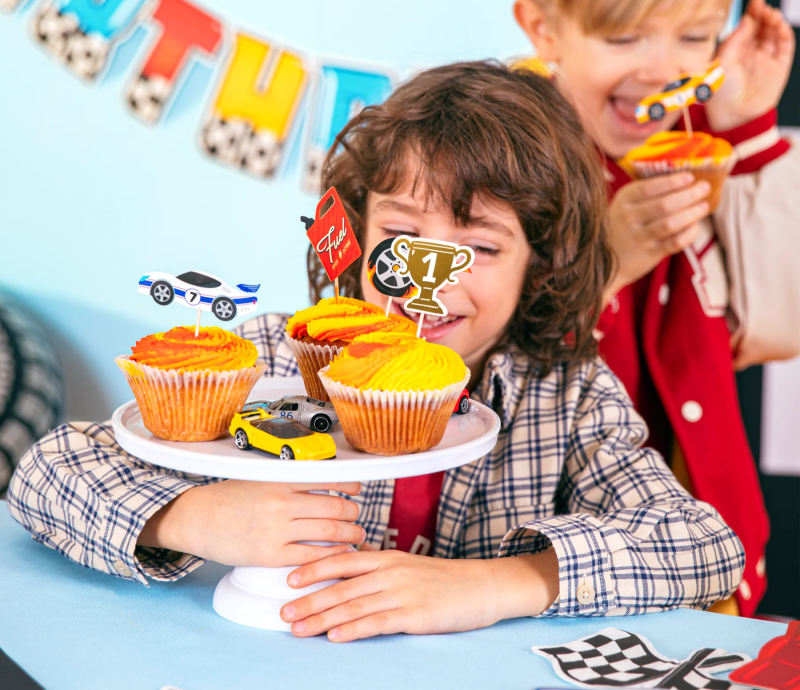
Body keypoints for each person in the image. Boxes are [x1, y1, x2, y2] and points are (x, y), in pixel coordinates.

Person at [8, 62, 744, 642]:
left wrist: (498, 585)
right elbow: (45, 476)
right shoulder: (272, 356)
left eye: (480, 246)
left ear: (540, 266)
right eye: (404, 235)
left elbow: (704, 546)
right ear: (356, 236)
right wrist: (194, 517)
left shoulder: (568, 392)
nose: (431, 276)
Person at [513, 0, 798, 617]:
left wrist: (748, 130)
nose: (663, 68)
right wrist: (609, 261)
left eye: (695, 36)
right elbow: (483, 370)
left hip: (714, 563)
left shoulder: (706, 141)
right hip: (565, 573)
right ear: (544, 30)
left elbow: (777, 324)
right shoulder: (505, 161)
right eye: (622, 38)